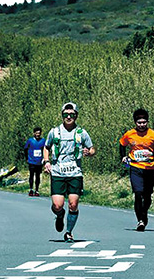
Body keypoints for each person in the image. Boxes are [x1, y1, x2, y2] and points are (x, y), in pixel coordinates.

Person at [43, 102, 95, 242]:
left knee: (73, 204)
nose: (69, 117)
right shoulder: (54, 132)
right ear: (62, 115)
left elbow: (92, 149)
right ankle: (60, 216)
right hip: (58, 172)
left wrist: (88, 152)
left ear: (76, 116)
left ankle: (69, 232)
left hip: (75, 173)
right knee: (57, 205)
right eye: (66, 114)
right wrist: (47, 162)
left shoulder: (81, 133)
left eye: (72, 114)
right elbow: (46, 147)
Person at [119, 108, 154, 231]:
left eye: (144, 122)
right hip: (135, 167)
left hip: (150, 168)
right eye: (139, 123)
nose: (142, 125)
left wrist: (152, 153)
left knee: (148, 195)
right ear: (135, 123)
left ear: (147, 122)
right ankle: (141, 220)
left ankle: (144, 212)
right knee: (138, 194)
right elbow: (122, 144)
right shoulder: (130, 134)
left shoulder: (153, 134)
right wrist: (123, 157)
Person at [24, 127, 46, 197]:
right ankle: (31, 189)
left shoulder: (43, 141)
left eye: (39, 133)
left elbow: (45, 149)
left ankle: (37, 190)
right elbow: (25, 149)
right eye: (36, 133)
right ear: (34, 133)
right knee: (31, 175)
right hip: (31, 161)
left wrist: (44, 159)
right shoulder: (30, 140)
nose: (38, 135)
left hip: (39, 161)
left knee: (38, 176)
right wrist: (27, 158)